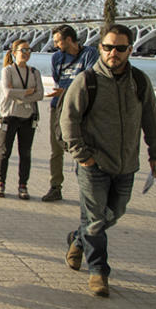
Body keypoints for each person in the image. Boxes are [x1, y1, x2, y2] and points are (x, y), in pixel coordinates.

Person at [60, 24, 156, 297]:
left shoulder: (139, 82)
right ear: (100, 48)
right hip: (94, 165)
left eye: (120, 48)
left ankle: (78, 239)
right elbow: (68, 120)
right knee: (95, 220)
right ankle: (98, 272)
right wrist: (83, 156)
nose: (113, 53)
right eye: (107, 47)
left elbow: (152, 120)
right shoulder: (87, 81)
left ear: (130, 49)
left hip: (126, 165)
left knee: (114, 213)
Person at [42, 24, 98, 201]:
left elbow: (90, 82)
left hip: (81, 110)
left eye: (59, 41)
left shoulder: (90, 54)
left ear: (69, 39)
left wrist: (67, 92)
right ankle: (55, 187)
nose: (56, 44)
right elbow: (58, 80)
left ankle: (87, 189)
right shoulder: (57, 57)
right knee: (56, 149)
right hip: (58, 107)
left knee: (82, 148)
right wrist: (64, 94)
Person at [0, 39, 44, 199]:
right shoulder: (7, 70)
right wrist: (27, 93)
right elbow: (7, 92)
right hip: (9, 116)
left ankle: (23, 186)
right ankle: (0, 184)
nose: (26, 53)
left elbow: (40, 94)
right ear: (14, 52)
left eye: (29, 50)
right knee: (4, 152)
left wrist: (20, 94)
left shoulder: (34, 72)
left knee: (25, 153)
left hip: (27, 117)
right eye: (23, 50)